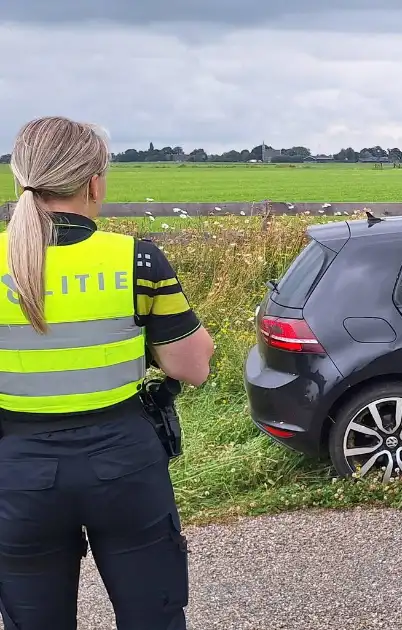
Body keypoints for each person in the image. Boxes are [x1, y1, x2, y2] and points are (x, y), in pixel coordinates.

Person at [0, 116, 215, 629]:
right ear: (93, 182)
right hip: (123, 464)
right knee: (152, 618)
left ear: (21, 178)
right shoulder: (136, 259)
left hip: (19, 472)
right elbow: (193, 366)